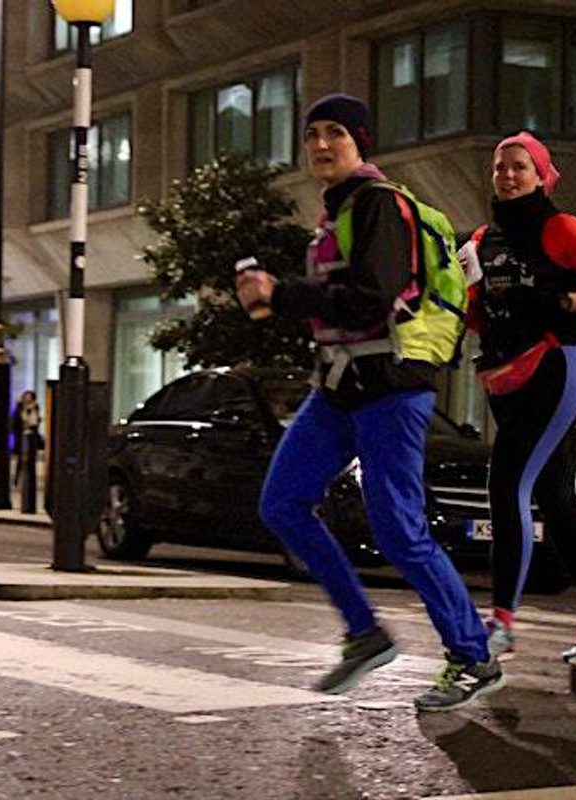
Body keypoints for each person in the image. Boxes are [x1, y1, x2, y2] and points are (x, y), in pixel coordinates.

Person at [236, 94, 501, 712]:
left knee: (399, 532)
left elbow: (370, 298)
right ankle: (364, 633)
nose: (321, 145)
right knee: (282, 503)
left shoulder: (378, 204)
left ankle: (472, 656)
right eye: (312, 135)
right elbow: (335, 306)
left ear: (361, 143)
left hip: (392, 387)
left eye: (336, 134)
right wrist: (272, 300)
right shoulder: (335, 217)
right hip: (338, 389)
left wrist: (285, 293)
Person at [465, 131, 576, 662]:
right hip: (506, 376)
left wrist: (561, 298)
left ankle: (502, 625)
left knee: (508, 483)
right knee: (556, 496)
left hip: (560, 365)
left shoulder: (561, 228)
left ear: (542, 176)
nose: (509, 176)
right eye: (500, 167)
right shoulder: (479, 239)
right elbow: (474, 311)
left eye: (520, 167)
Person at [11, 390, 41, 486]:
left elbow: (36, 421)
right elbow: (14, 422)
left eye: (30, 397)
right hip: (21, 436)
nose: (28, 399)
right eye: (26, 397)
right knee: (20, 459)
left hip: (32, 437)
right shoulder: (19, 408)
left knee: (31, 459)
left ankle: (29, 480)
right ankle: (17, 479)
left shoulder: (35, 408)